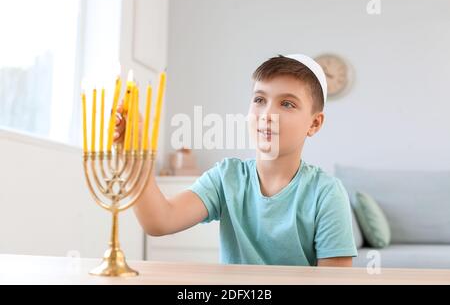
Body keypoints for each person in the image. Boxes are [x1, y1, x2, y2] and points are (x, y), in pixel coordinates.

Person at [113, 54, 357, 267]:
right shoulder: (226, 177)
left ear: (314, 123)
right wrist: (136, 152)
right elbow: (159, 221)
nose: (267, 114)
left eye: (287, 104)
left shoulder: (326, 194)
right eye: (259, 99)